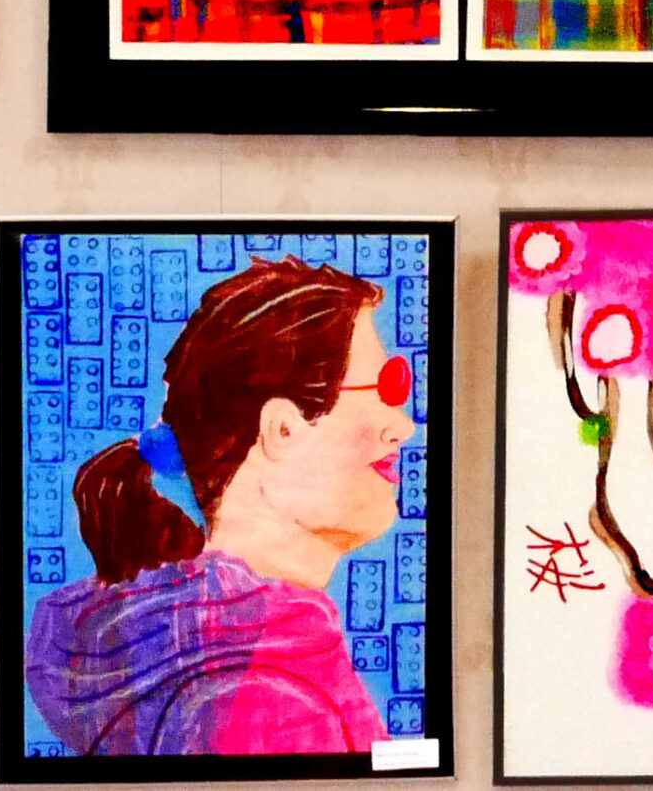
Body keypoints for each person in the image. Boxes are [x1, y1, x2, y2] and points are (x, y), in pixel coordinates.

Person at [26, 257, 419, 757]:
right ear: (282, 429)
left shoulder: (181, 647)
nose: (403, 426)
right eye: (386, 388)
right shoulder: (274, 695)